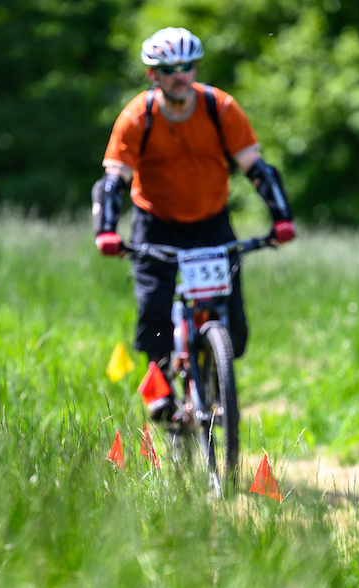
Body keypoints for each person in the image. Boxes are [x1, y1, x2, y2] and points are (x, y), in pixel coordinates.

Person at [91, 27, 295, 420]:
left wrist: (282, 220)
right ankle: (160, 381)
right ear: (154, 75)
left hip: (211, 222)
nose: (180, 75)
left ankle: (216, 379)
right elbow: (113, 181)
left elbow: (257, 169)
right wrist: (107, 231)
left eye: (187, 67)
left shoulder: (220, 108)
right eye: (169, 69)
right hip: (156, 224)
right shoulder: (137, 117)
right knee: (154, 308)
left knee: (232, 319)